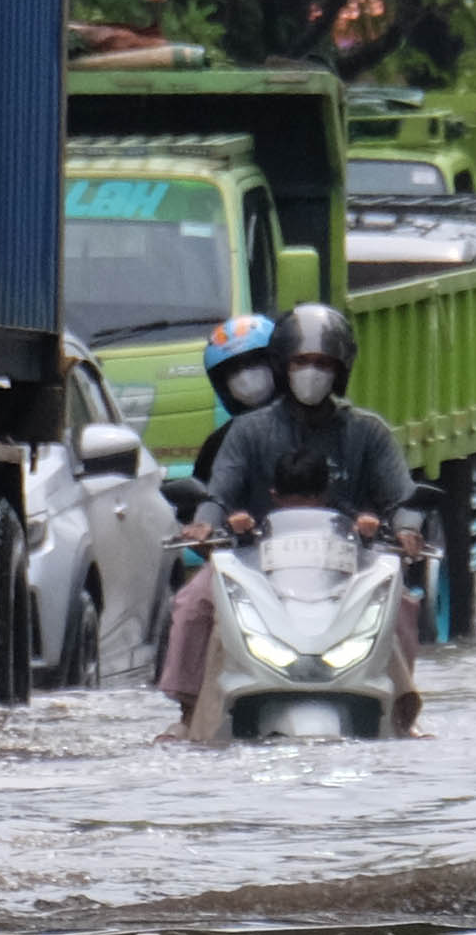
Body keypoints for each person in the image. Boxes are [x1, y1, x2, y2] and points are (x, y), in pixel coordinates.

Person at [160, 302, 427, 734]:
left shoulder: (368, 433)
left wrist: (406, 528)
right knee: (192, 603)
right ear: (283, 365)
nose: (312, 372)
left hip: (351, 567)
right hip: (253, 565)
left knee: (404, 605)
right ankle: (189, 713)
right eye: (303, 361)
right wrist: (206, 524)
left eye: (323, 363)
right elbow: (219, 492)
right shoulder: (248, 432)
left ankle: (400, 712)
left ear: (340, 370)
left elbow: (402, 497)